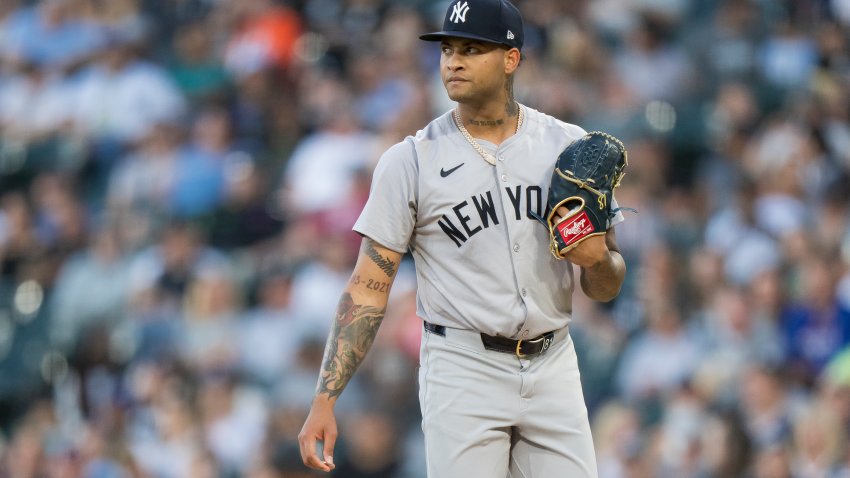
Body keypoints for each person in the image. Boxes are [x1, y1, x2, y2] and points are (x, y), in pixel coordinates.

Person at [298, 0, 627, 476]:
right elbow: (368, 286)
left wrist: (597, 263)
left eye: (471, 49)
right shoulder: (410, 161)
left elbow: (608, 281)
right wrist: (325, 398)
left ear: (511, 59)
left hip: (553, 359)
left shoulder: (568, 146)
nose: (453, 61)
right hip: (462, 367)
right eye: (447, 49)